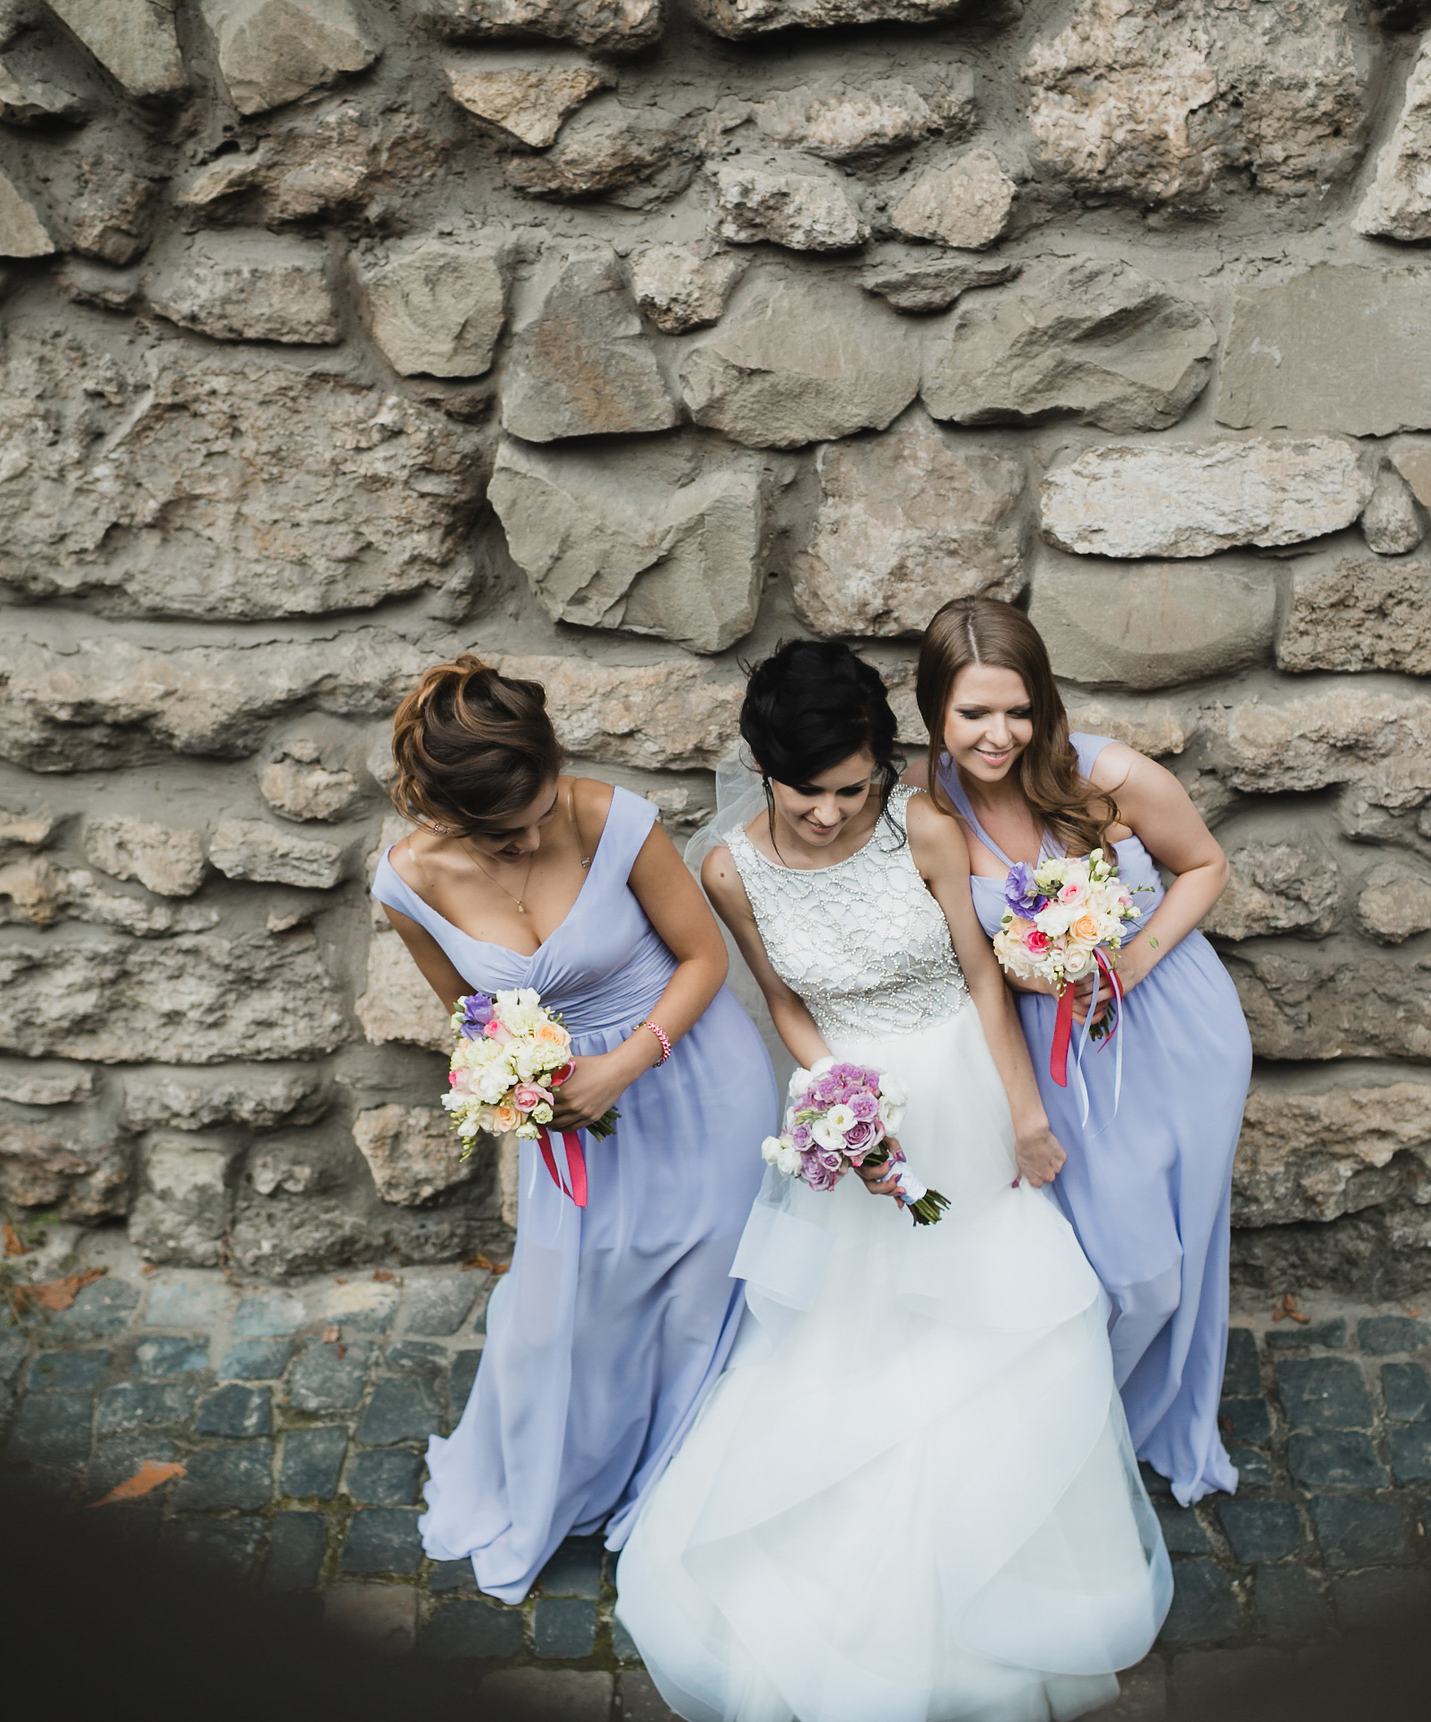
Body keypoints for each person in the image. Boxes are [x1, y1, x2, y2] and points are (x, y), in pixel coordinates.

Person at [616, 640, 1170, 1722]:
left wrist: (1024, 1115)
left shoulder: (922, 826)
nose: (829, 815)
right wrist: (838, 1108)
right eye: (805, 793)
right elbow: (783, 1002)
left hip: (964, 1089)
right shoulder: (729, 870)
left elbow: (981, 976)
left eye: (851, 789)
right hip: (859, 1120)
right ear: (763, 771)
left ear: (881, 765)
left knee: (998, 1321)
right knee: (849, 1338)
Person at [370, 656, 775, 1602]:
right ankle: (566, 1478)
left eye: (542, 808)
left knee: (699, 1300)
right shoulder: (406, 885)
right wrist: (516, 1088)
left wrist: (624, 1064)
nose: (535, 835)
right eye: (507, 832)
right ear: (449, 817)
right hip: (573, 1128)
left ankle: (672, 1490)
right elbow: (474, 1019)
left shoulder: (607, 817)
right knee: (565, 1312)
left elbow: (704, 957)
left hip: (694, 1075)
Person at [908, 596, 1252, 1507]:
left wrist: (1131, 959)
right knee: (1119, 1270)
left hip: (1176, 1033)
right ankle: (1061, 1442)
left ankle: (1136, 1429)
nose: (998, 734)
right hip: (1057, 1059)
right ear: (934, 708)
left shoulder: (1103, 774)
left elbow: (1205, 864)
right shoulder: (932, 809)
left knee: (1173, 1262)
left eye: (1017, 709)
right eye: (973, 712)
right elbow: (972, 962)